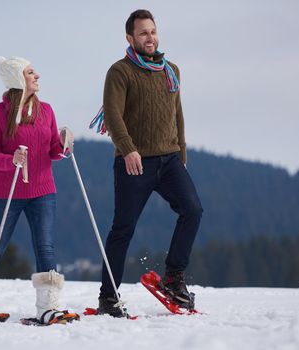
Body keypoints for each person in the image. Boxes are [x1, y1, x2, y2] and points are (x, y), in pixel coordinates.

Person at [96, 9, 203, 317]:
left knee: (193, 210)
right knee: (123, 230)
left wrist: (181, 152)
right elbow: (113, 115)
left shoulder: (171, 70)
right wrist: (127, 149)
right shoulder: (120, 71)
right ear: (130, 38)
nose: (150, 37)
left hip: (169, 160)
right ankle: (108, 297)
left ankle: (173, 278)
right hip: (134, 163)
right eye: (143, 33)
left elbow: (177, 113)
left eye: (153, 31)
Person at [0, 56, 78, 325]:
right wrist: (10, 160)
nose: (37, 77)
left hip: (43, 190)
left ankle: (48, 308)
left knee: (45, 247)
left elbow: (52, 151)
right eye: (30, 73)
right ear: (17, 79)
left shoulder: (46, 110)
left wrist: (63, 146)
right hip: (6, 193)